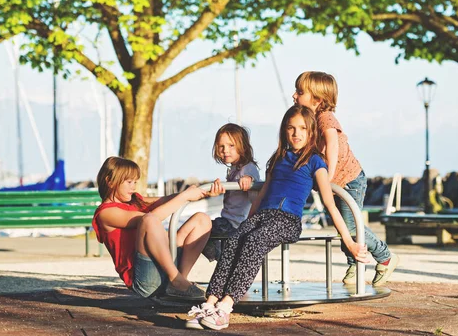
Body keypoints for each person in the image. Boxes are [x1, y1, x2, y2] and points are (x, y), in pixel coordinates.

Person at [185, 105, 369, 330]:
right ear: (284, 131)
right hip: (262, 216)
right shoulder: (279, 158)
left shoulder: (315, 162)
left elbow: (329, 204)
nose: (296, 133)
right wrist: (247, 222)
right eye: (291, 128)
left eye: (302, 128)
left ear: (312, 132)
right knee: (235, 241)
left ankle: (225, 307)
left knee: (254, 242)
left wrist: (349, 242)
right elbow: (262, 195)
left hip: (287, 220)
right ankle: (210, 303)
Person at [293, 71, 399, 285]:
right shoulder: (308, 121)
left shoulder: (325, 118)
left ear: (318, 99)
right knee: (341, 224)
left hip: (350, 180)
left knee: (351, 225)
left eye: (300, 92)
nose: (294, 96)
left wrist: (329, 175)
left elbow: (331, 143)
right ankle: (355, 262)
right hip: (334, 184)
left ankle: (385, 257)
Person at [92, 156, 222, 300]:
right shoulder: (106, 213)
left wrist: (201, 193)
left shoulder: (135, 201)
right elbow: (151, 218)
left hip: (163, 269)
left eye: (135, 182)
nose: (133, 187)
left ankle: (179, 282)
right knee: (149, 220)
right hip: (145, 280)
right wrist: (185, 196)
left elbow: (166, 200)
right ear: (110, 181)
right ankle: (176, 280)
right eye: (129, 182)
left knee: (201, 220)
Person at [202, 123, 261, 262]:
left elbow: (254, 182)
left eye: (231, 146)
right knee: (199, 233)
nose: (225, 150)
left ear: (243, 147)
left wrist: (249, 180)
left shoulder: (248, 168)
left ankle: (222, 257)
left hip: (234, 224)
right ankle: (223, 258)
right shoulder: (234, 168)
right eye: (221, 146)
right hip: (227, 221)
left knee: (198, 232)